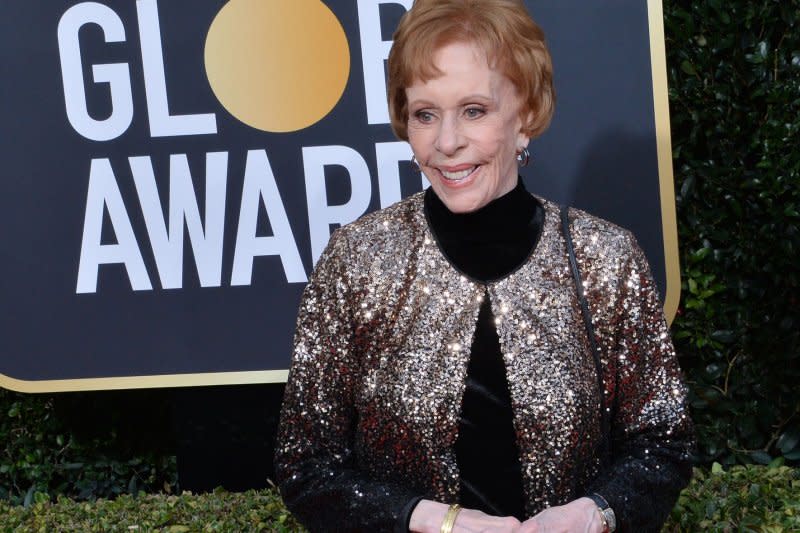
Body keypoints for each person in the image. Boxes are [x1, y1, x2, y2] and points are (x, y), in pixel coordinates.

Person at [274, 1, 694, 531]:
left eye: (474, 110)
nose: (447, 143)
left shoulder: (605, 259)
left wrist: (594, 514)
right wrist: (431, 521)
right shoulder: (358, 261)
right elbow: (306, 467)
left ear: (527, 114)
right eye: (426, 114)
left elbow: (662, 443)